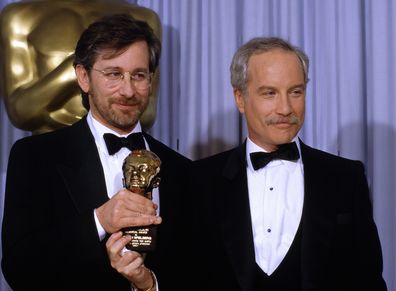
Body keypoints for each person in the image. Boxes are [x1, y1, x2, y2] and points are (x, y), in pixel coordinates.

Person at [1, 13, 191, 291]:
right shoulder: (35, 157)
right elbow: (19, 269)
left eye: (138, 75)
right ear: (84, 77)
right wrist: (99, 221)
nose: (128, 90)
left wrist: (149, 284)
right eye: (114, 74)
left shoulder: (182, 169)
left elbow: (197, 271)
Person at [189, 37, 387, 291]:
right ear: (240, 98)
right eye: (269, 93)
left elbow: (368, 282)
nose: (285, 108)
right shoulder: (199, 180)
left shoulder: (346, 178)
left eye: (295, 92)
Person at [0, 0, 161, 135]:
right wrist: (79, 69)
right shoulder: (20, 17)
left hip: (126, 152)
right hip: (47, 154)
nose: (127, 90)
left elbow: (147, 113)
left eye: (137, 76)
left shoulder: (142, 17)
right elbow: (21, 112)